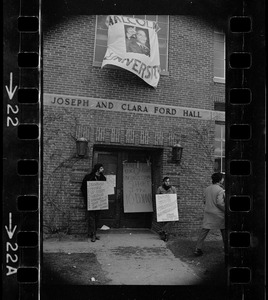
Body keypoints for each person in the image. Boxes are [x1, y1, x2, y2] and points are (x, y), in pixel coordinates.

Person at [194, 172, 226, 256]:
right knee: (224, 230)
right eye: (222, 178)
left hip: (208, 212)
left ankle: (198, 249)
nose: (223, 179)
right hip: (218, 214)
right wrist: (225, 209)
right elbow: (220, 203)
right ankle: (227, 248)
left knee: (204, 231)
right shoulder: (221, 190)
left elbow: (204, 201)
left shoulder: (207, 189)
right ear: (219, 180)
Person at [81, 163, 106, 242]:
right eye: (101, 168)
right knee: (91, 218)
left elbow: (104, 188)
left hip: (99, 202)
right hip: (91, 202)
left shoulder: (103, 178)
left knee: (97, 218)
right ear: (97, 169)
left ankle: (94, 233)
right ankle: (93, 234)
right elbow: (83, 188)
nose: (103, 169)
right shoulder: (88, 177)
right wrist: (88, 196)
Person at [156, 177, 177, 241]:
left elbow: (174, 197)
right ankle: (165, 236)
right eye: (166, 181)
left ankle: (162, 230)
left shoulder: (173, 188)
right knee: (164, 221)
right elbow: (157, 198)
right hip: (163, 208)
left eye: (168, 181)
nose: (167, 183)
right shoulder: (160, 188)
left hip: (170, 208)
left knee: (172, 221)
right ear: (163, 182)